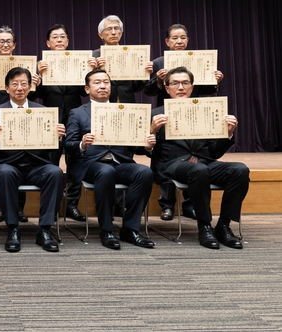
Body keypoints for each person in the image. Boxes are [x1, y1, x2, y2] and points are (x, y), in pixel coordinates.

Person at [149, 67, 249, 249]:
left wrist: (227, 133)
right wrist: (152, 131)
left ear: (192, 87)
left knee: (239, 170)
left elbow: (214, 153)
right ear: (167, 88)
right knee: (199, 170)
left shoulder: (206, 111)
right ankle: (204, 226)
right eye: (175, 83)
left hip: (204, 162)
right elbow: (144, 150)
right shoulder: (155, 114)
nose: (180, 87)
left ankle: (224, 226)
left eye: (185, 83)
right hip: (172, 164)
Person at [65, 69, 156, 250]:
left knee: (144, 172)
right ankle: (106, 230)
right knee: (105, 172)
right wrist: (82, 144)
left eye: (106, 82)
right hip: (90, 164)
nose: (103, 86)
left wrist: (146, 145)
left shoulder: (122, 111)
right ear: (87, 89)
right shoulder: (77, 113)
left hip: (119, 162)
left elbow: (133, 146)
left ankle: (130, 229)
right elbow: (68, 145)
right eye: (97, 82)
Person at [144, 24, 225, 221]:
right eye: (175, 38)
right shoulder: (158, 63)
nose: (179, 41)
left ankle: (191, 205)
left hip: (194, 113)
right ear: (167, 42)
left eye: (182, 37)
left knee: (194, 153)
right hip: (167, 115)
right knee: (167, 154)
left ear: (187, 40)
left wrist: (216, 81)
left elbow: (204, 89)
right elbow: (147, 90)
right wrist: (157, 79)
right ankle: (166, 205)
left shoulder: (200, 61)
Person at [0, 67, 66, 252]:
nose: (19, 88)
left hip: (36, 166)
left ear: (30, 88)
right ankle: (13, 229)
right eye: (14, 84)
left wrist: (58, 137)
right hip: (8, 165)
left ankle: (44, 229)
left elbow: (53, 148)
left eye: (24, 84)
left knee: (55, 172)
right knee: (5, 173)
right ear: (6, 88)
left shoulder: (43, 111)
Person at [0, 26, 38, 223]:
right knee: (2, 162)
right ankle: (1, 208)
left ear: (14, 45)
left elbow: (33, 94)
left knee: (24, 157)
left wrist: (38, 82)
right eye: (1, 41)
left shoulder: (26, 66)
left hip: (24, 115)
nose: (5, 44)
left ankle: (19, 209)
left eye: (9, 41)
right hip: (0, 117)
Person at [36, 24, 89, 222]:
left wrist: (91, 69)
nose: (59, 40)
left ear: (67, 41)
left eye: (63, 37)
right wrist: (39, 77)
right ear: (48, 43)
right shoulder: (41, 66)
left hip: (75, 117)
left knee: (76, 161)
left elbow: (86, 90)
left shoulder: (79, 62)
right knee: (50, 163)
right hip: (51, 118)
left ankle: (72, 205)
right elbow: (35, 95)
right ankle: (51, 206)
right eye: (55, 37)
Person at [92, 15, 153, 103]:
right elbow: (87, 87)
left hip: (127, 103)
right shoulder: (94, 56)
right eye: (109, 29)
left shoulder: (131, 54)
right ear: (101, 35)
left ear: (121, 32)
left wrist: (144, 74)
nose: (113, 32)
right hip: (103, 104)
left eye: (117, 28)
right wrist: (95, 69)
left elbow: (136, 88)